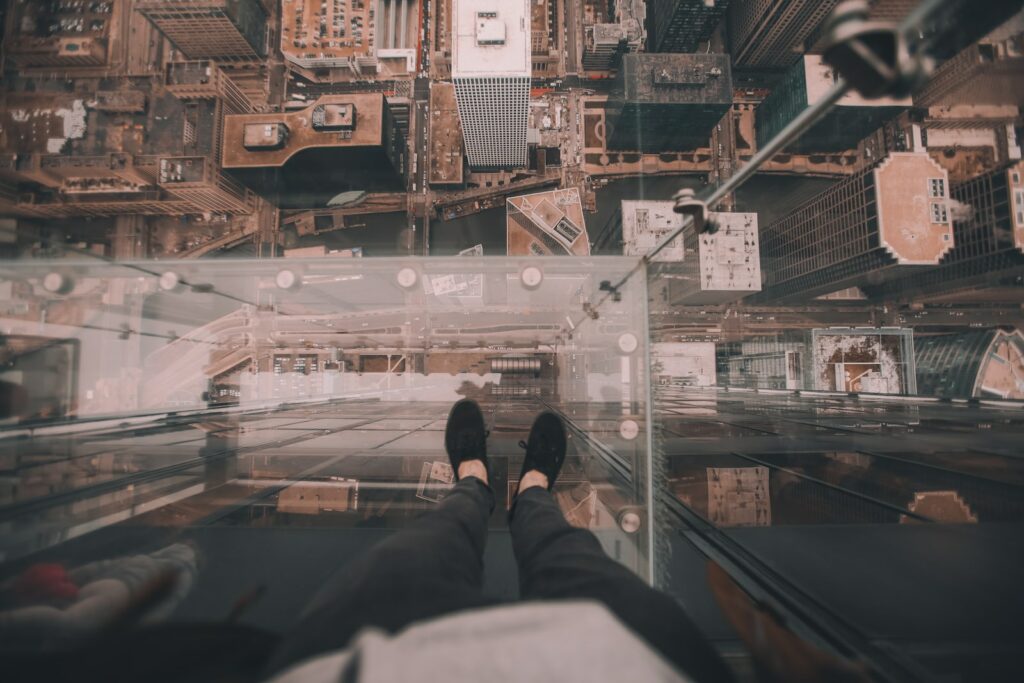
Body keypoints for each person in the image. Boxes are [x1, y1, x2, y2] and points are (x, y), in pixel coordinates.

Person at [264, 399, 734, 682]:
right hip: (632, 659)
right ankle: (531, 486)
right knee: (563, 548)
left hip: (355, 660)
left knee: (431, 541)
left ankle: (473, 477)